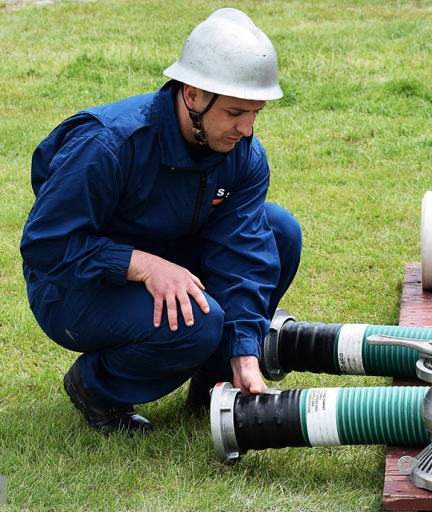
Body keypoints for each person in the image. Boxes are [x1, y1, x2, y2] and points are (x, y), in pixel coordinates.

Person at [19, 8, 302, 435]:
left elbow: (244, 253)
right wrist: (144, 265)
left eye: (255, 113)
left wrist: (243, 350)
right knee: (197, 323)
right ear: (192, 95)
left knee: (278, 232)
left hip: (164, 255)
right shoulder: (108, 144)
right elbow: (45, 246)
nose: (246, 129)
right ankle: (97, 388)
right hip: (71, 287)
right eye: (234, 112)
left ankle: (214, 378)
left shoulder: (243, 155)